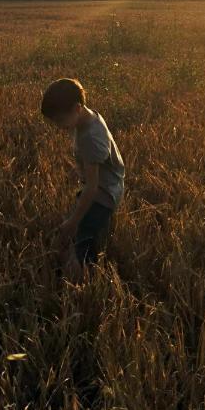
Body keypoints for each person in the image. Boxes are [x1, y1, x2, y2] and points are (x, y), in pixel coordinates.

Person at [41, 78, 124, 280]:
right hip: (106, 186)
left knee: (83, 239)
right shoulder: (89, 118)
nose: (58, 127)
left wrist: (74, 221)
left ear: (77, 108)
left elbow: (93, 188)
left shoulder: (90, 138)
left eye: (60, 121)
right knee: (79, 226)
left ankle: (80, 281)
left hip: (104, 195)